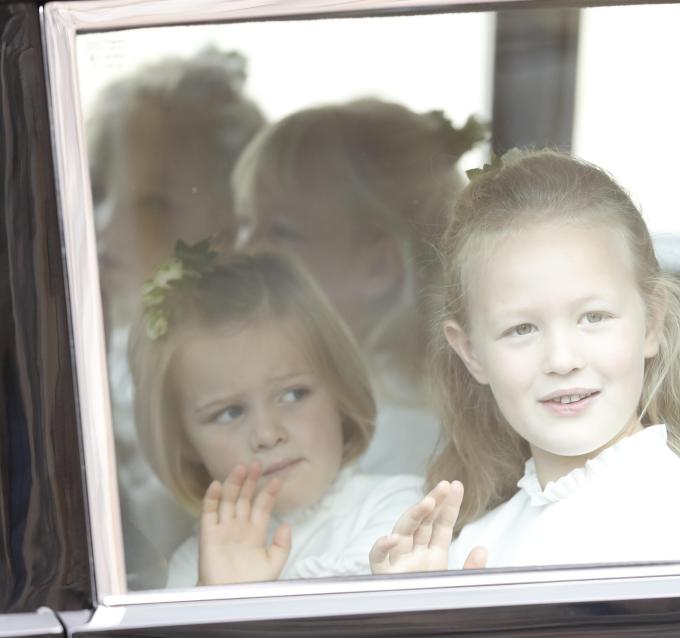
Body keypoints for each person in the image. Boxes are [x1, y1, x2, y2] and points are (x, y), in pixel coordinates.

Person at [370, 149, 680, 572]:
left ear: (652, 323)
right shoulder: (474, 543)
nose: (561, 359)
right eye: (522, 329)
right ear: (471, 352)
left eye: (594, 317)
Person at [127, 245, 421, 586]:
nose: (267, 434)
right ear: (186, 444)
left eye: (293, 394)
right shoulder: (193, 567)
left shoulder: (397, 507)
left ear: (340, 392)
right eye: (228, 413)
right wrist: (218, 598)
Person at [86, 47, 267, 587]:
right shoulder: (101, 345)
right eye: (96, 190)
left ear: (228, 232)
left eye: (152, 205)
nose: (103, 224)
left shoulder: (231, 376)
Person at [231, 98, 485, 476]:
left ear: (379, 267)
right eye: (246, 223)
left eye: (281, 232)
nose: (244, 252)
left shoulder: (387, 434)